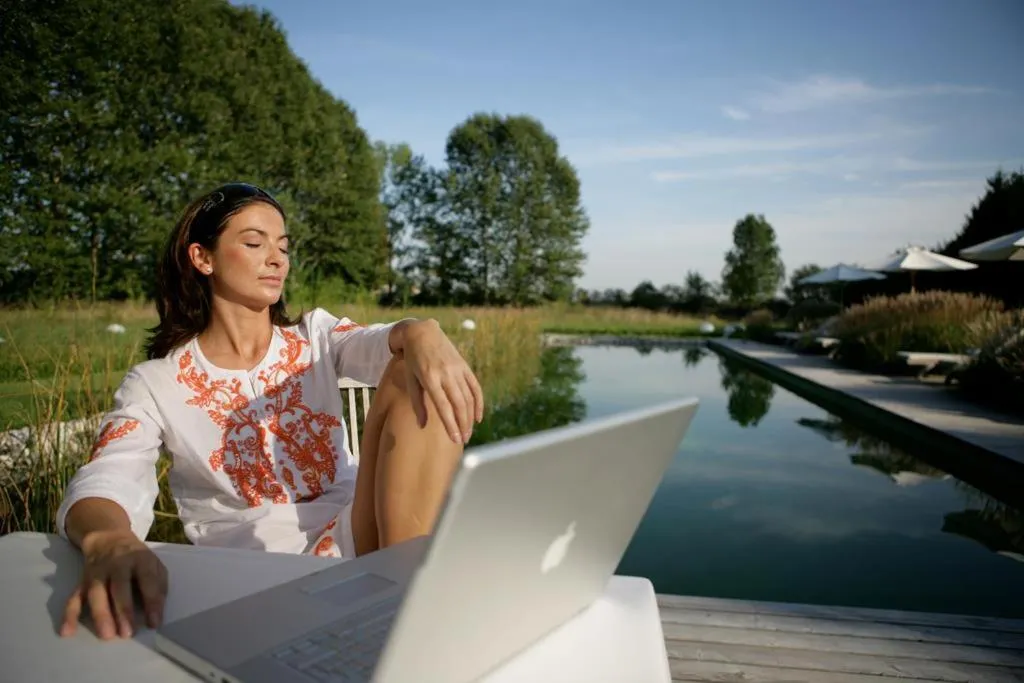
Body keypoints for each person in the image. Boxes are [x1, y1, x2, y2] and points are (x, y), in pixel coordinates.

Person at [56, 183, 483, 641]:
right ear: (203, 258)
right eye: (255, 243)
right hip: (255, 573)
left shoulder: (315, 337)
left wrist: (420, 332)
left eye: (282, 247)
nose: (278, 259)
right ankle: (411, 618)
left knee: (412, 371)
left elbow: (381, 343)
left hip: (358, 532)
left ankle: (406, 618)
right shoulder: (157, 382)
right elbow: (109, 476)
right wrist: (108, 540)